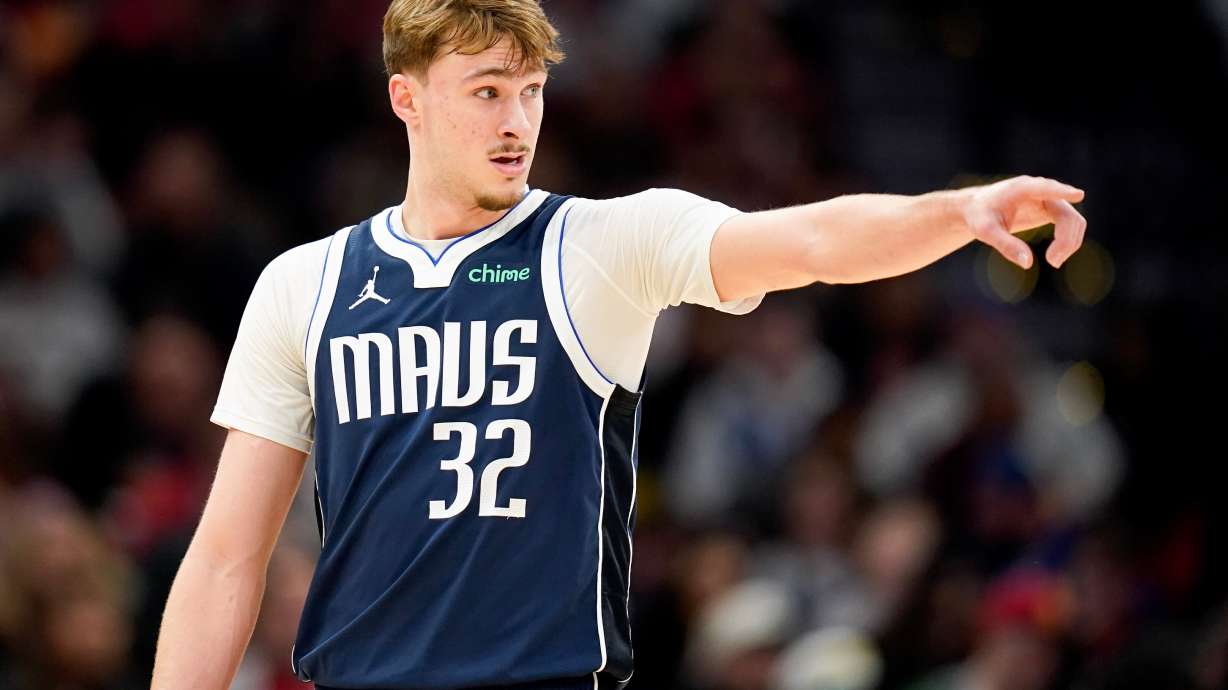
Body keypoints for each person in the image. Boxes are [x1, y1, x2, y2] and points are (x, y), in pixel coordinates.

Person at [149, 1, 1088, 689]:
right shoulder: (304, 284)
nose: (516, 121)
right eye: (486, 92)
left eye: (530, 91)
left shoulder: (600, 245)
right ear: (409, 99)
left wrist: (957, 212)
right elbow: (228, 557)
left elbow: (810, 243)